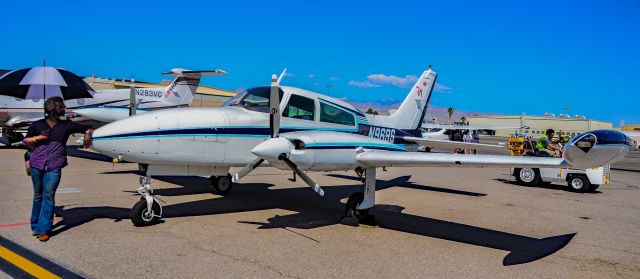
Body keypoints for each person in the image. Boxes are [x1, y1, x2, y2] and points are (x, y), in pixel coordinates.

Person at [23, 97, 93, 242]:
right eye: (61, 107)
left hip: (54, 165)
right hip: (36, 163)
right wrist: (38, 137)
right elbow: (26, 140)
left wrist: (87, 134)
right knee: (38, 195)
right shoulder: (38, 124)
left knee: (48, 195)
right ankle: (35, 225)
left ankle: (44, 229)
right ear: (52, 109)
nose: (64, 109)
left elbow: (87, 127)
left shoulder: (66, 125)